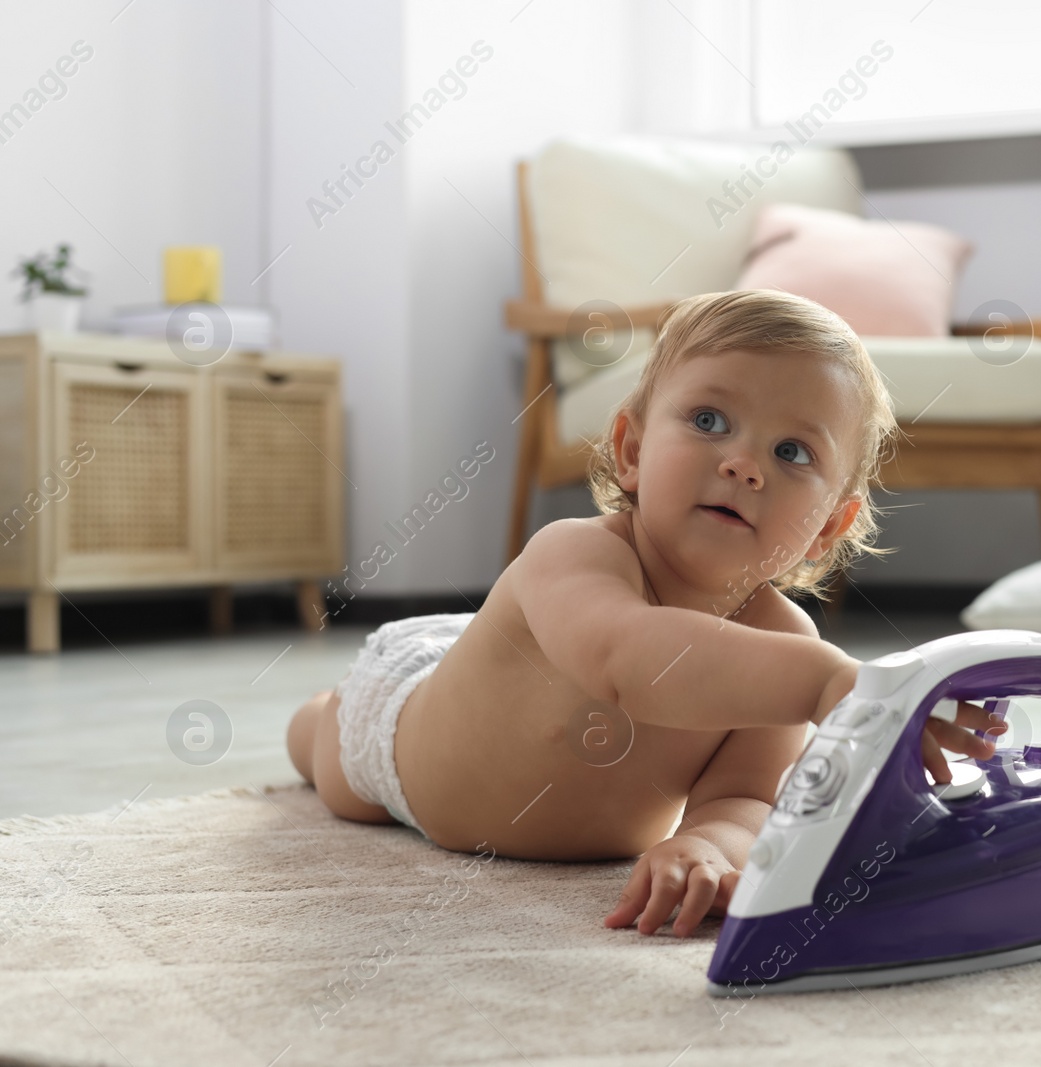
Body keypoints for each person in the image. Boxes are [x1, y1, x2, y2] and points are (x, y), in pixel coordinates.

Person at [286, 289, 1002, 938]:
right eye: (710, 420)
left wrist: (706, 845)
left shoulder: (780, 643)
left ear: (826, 528)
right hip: (406, 739)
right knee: (333, 764)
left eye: (792, 451)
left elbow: (746, 797)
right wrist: (830, 683)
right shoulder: (574, 556)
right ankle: (319, 713)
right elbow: (630, 659)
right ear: (630, 449)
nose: (744, 464)